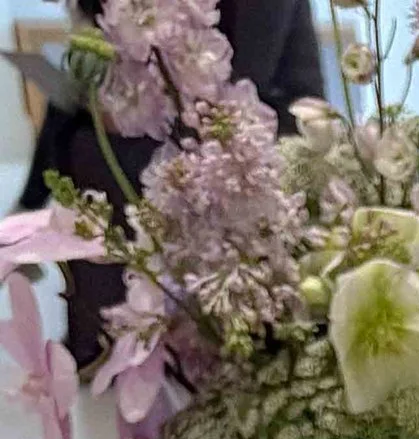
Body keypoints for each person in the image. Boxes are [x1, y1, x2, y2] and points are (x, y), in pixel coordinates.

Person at [16, 0, 328, 363]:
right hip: (151, 151)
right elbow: (87, 86)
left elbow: (281, 96)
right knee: (84, 136)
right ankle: (104, 344)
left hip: (248, 151)